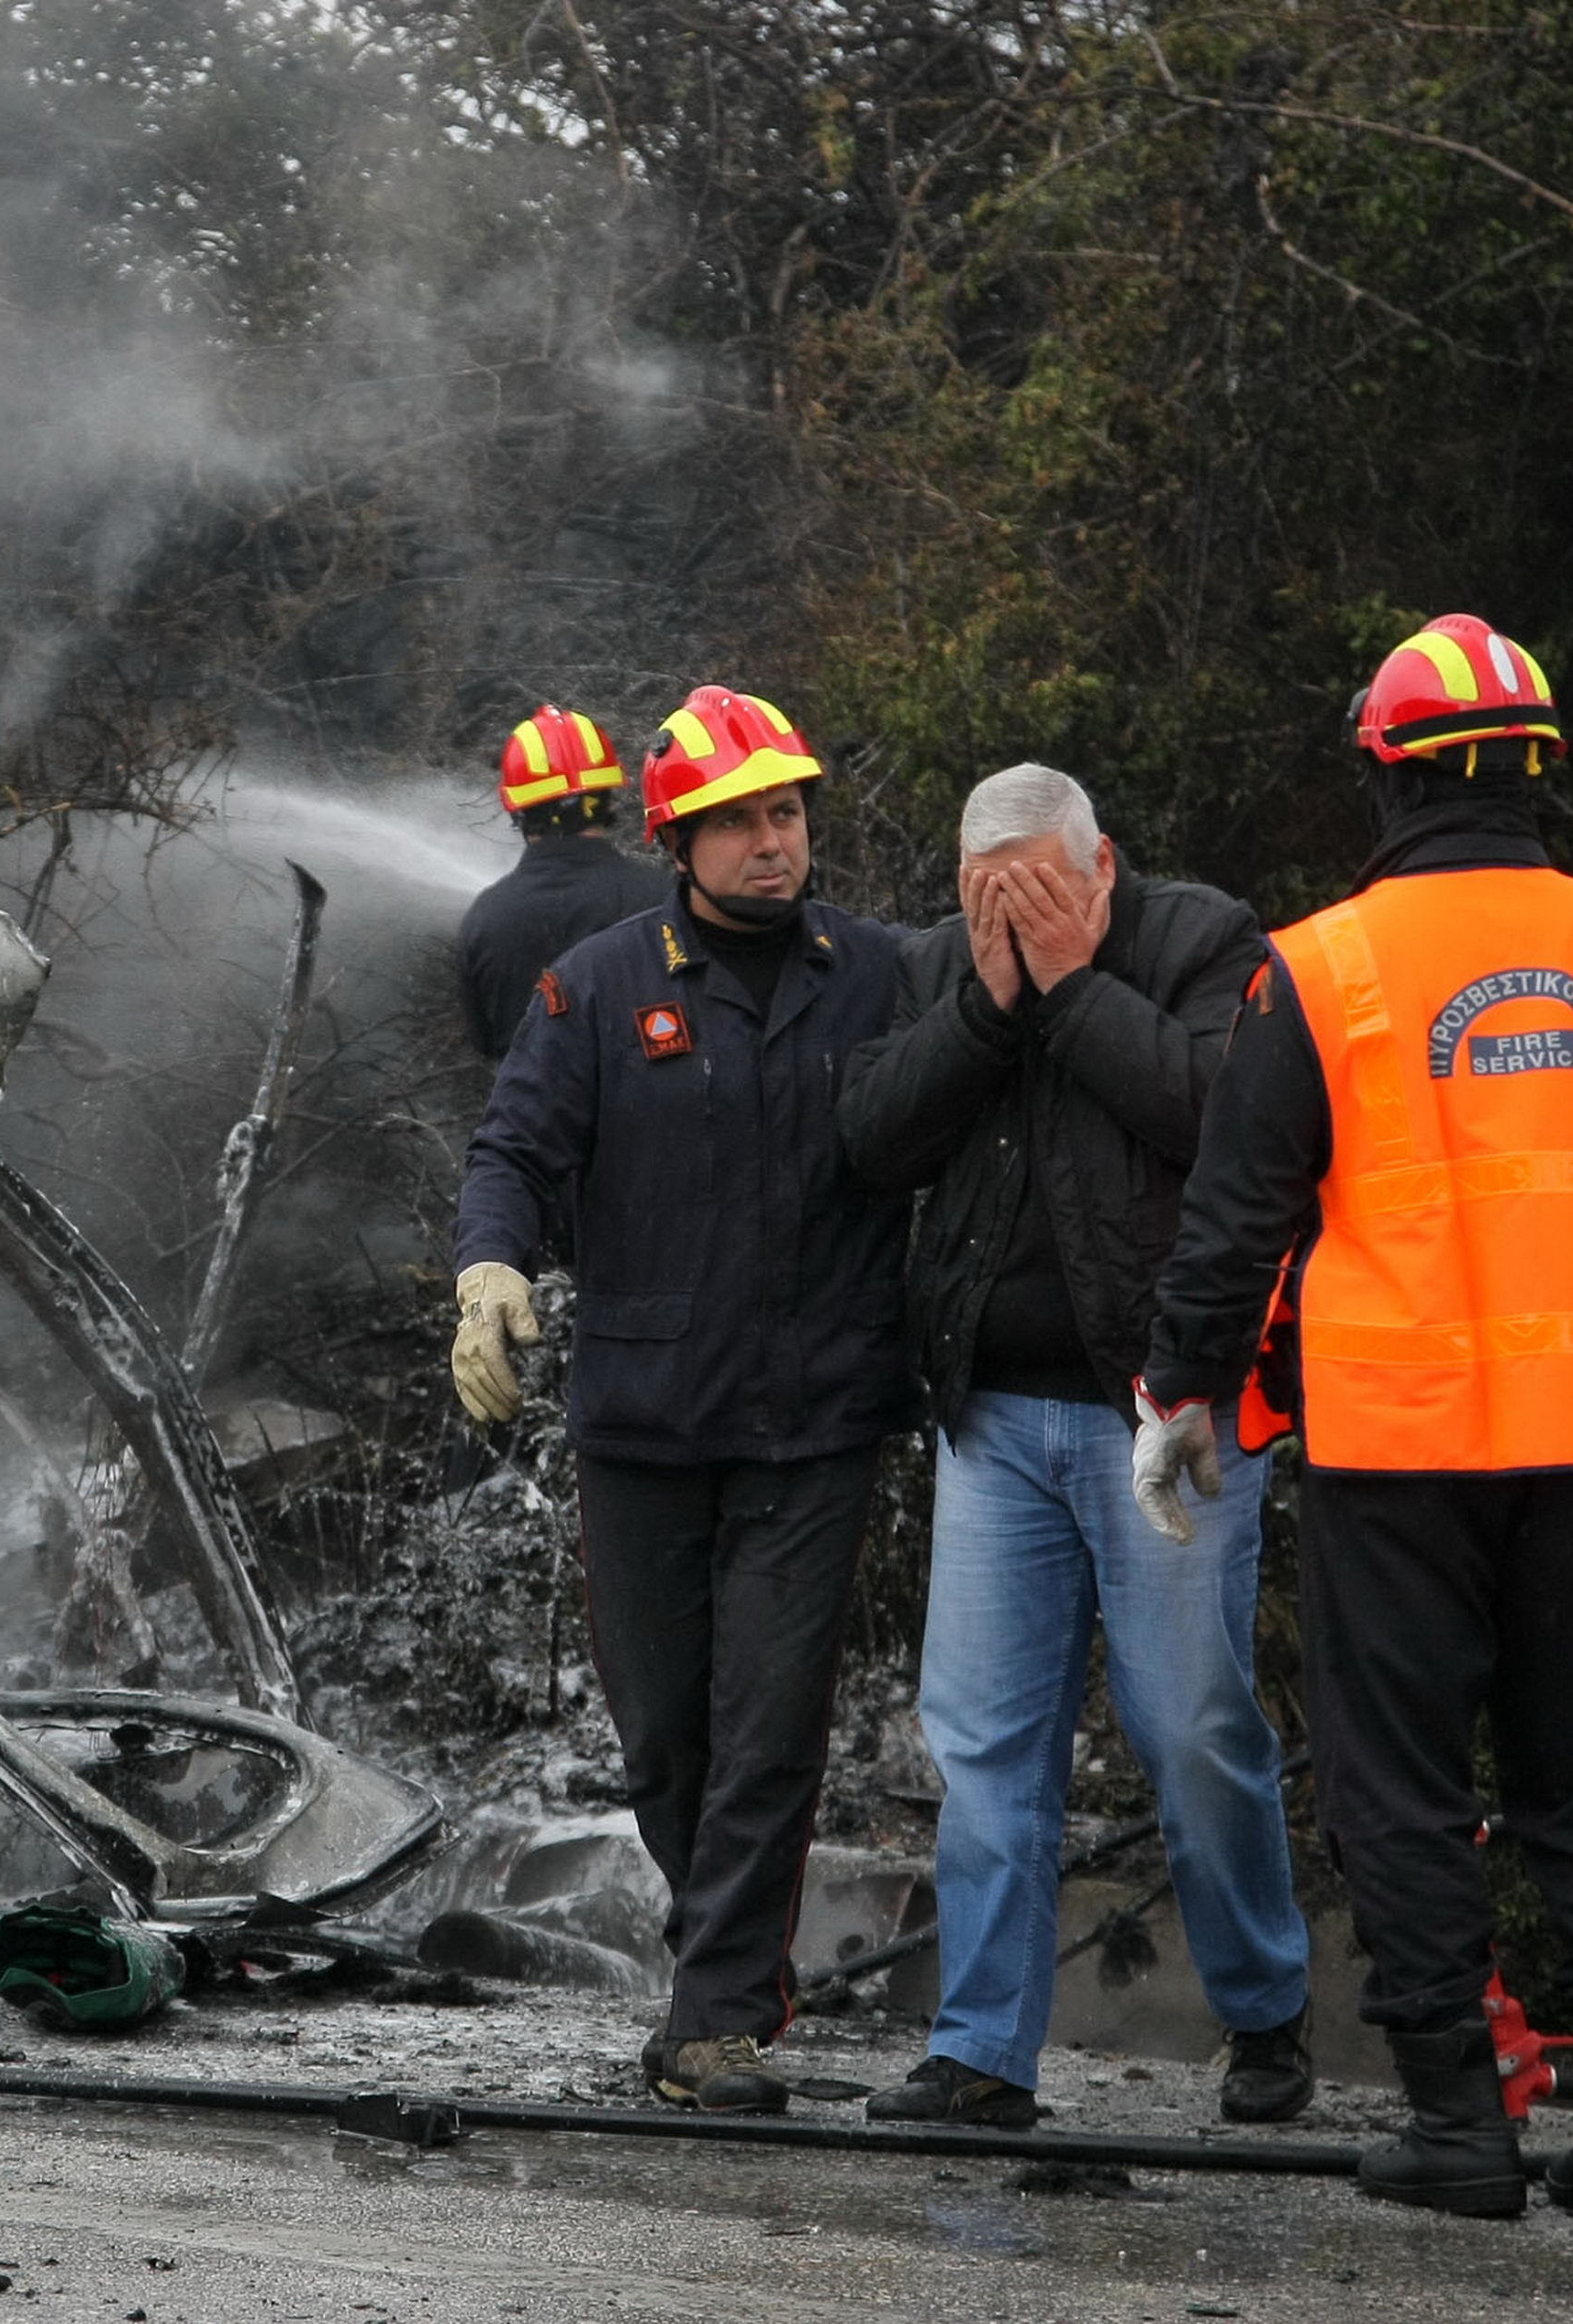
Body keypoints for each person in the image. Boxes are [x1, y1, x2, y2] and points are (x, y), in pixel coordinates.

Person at [1133, 615, 1573, 2220]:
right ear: (1535, 769)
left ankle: (1458, 2133)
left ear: (1383, 774)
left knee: (1398, 1783)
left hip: (1393, 1448)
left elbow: (1236, 1208)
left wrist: (1178, 1387)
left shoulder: (1322, 965)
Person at [452, 684, 914, 2113]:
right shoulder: (594, 986)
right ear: (676, 839)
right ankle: (718, 1969)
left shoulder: (881, 973)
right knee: (666, 1733)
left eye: (786, 812)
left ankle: (713, 2019)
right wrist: (486, 1267)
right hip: (645, 1419)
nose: (773, 842)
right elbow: (514, 1148)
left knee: (768, 1725)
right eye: (740, 821)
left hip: (815, 1419)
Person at [835, 764, 1315, 2130]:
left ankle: (1264, 2010)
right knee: (984, 1744)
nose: (1017, 919)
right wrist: (991, 1001)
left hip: (1164, 1418)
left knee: (1188, 1730)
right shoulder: (944, 965)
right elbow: (868, 1137)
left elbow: (1228, 1121)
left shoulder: (1200, 940)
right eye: (989, 901)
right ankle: (981, 2050)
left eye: (1043, 892)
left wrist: (1071, 985)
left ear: (1100, 865)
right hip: (988, 1416)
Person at [457, 704, 675, 1057]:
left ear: (519, 811)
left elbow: (486, 1046)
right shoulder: (664, 899)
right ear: (606, 797)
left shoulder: (485, 918)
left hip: (528, 1112)